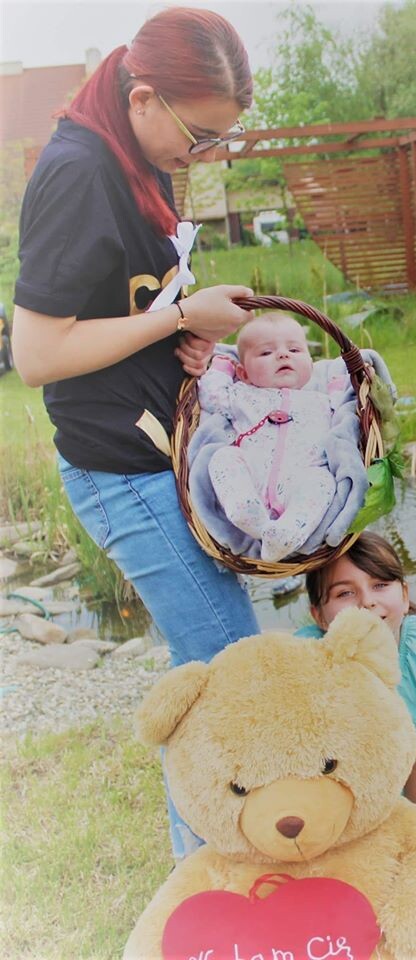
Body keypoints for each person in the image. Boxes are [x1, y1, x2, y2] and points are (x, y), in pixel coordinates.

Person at [12, 7, 260, 860]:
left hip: (159, 453)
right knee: (227, 677)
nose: (204, 155)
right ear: (143, 97)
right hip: (121, 468)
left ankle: (210, 874)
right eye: (199, 136)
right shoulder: (79, 172)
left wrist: (188, 334)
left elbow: (126, 310)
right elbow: (37, 354)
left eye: (219, 139)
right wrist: (180, 317)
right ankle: (204, 885)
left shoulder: (135, 160)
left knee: (211, 676)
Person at [300, 532, 416, 816]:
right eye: (345, 593)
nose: (367, 601)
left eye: (380, 585)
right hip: (331, 808)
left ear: (404, 596)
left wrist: (412, 831)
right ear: (319, 616)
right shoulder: (307, 658)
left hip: (405, 804)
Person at [198, 313, 344, 562]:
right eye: (266, 353)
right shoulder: (242, 395)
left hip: (299, 483)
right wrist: (221, 369)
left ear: (311, 364)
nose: (283, 355)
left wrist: (341, 387)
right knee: (224, 456)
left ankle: (287, 532)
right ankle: (244, 510)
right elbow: (212, 398)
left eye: (294, 350)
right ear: (244, 373)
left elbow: (346, 417)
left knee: (322, 481)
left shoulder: (322, 401)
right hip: (252, 480)